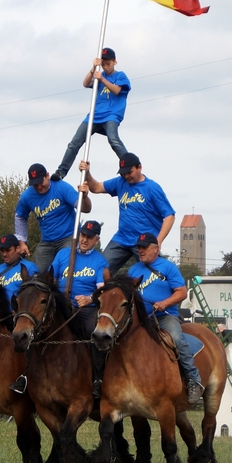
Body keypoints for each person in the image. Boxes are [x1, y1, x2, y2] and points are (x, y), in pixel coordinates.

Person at [127, 232, 203, 405]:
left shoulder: (168, 267)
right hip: (140, 320)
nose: (141, 251)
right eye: (139, 247)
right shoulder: (133, 270)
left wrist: (164, 303)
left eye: (145, 247)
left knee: (175, 338)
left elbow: (182, 292)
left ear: (156, 248)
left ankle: (193, 380)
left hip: (164, 317)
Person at [79, 153, 175, 275]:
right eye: (123, 173)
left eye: (129, 172)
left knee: (152, 277)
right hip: (122, 238)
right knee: (100, 271)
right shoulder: (120, 182)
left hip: (143, 241)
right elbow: (96, 187)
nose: (126, 176)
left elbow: (169, 216)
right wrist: (87, 172)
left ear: (139, 167)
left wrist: (158, 241)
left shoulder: (152, 188)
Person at [51, 47, 131, 181]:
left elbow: (117, 90)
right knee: (74, 143)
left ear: (114, 62)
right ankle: (61, 172)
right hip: (94, 116)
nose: (105, 67)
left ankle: (130, 165)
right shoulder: (99, 73)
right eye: (103, 64)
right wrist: (93, 68)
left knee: (113, 140)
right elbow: (85, 83)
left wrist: (102, 80)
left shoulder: (120, 76)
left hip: (111, 115)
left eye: (108, 64)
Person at [51, 220, 110, 398]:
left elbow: (102, 290)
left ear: (96, 240)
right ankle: (27, 376)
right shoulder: (63, 255)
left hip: (86, 309)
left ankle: (98, 378)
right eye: (83, 235)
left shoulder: (100, 261)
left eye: (89, 237)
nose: (84, 240)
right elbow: (50, 279)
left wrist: (89, 298)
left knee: (96, 333)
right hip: (61, 307)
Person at [14, 163, 92, 272]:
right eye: (35, 185)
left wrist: (85, 197)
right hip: (47, 241)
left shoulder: (62, 187)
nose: (39, 187)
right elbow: (20, 217)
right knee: (35, 273)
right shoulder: (26, 197)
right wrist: (22, 241)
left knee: (65, 269)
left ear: (47, 176)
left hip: (69, 236)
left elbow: (85, 208)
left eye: (41, 182)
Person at [0, 234, 40, 303]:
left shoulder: (30, 267)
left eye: (8, 250)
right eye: (2, 251)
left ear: (17, 249)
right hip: (1, 312)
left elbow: (36, 295)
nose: (4, 254)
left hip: (20, 311)